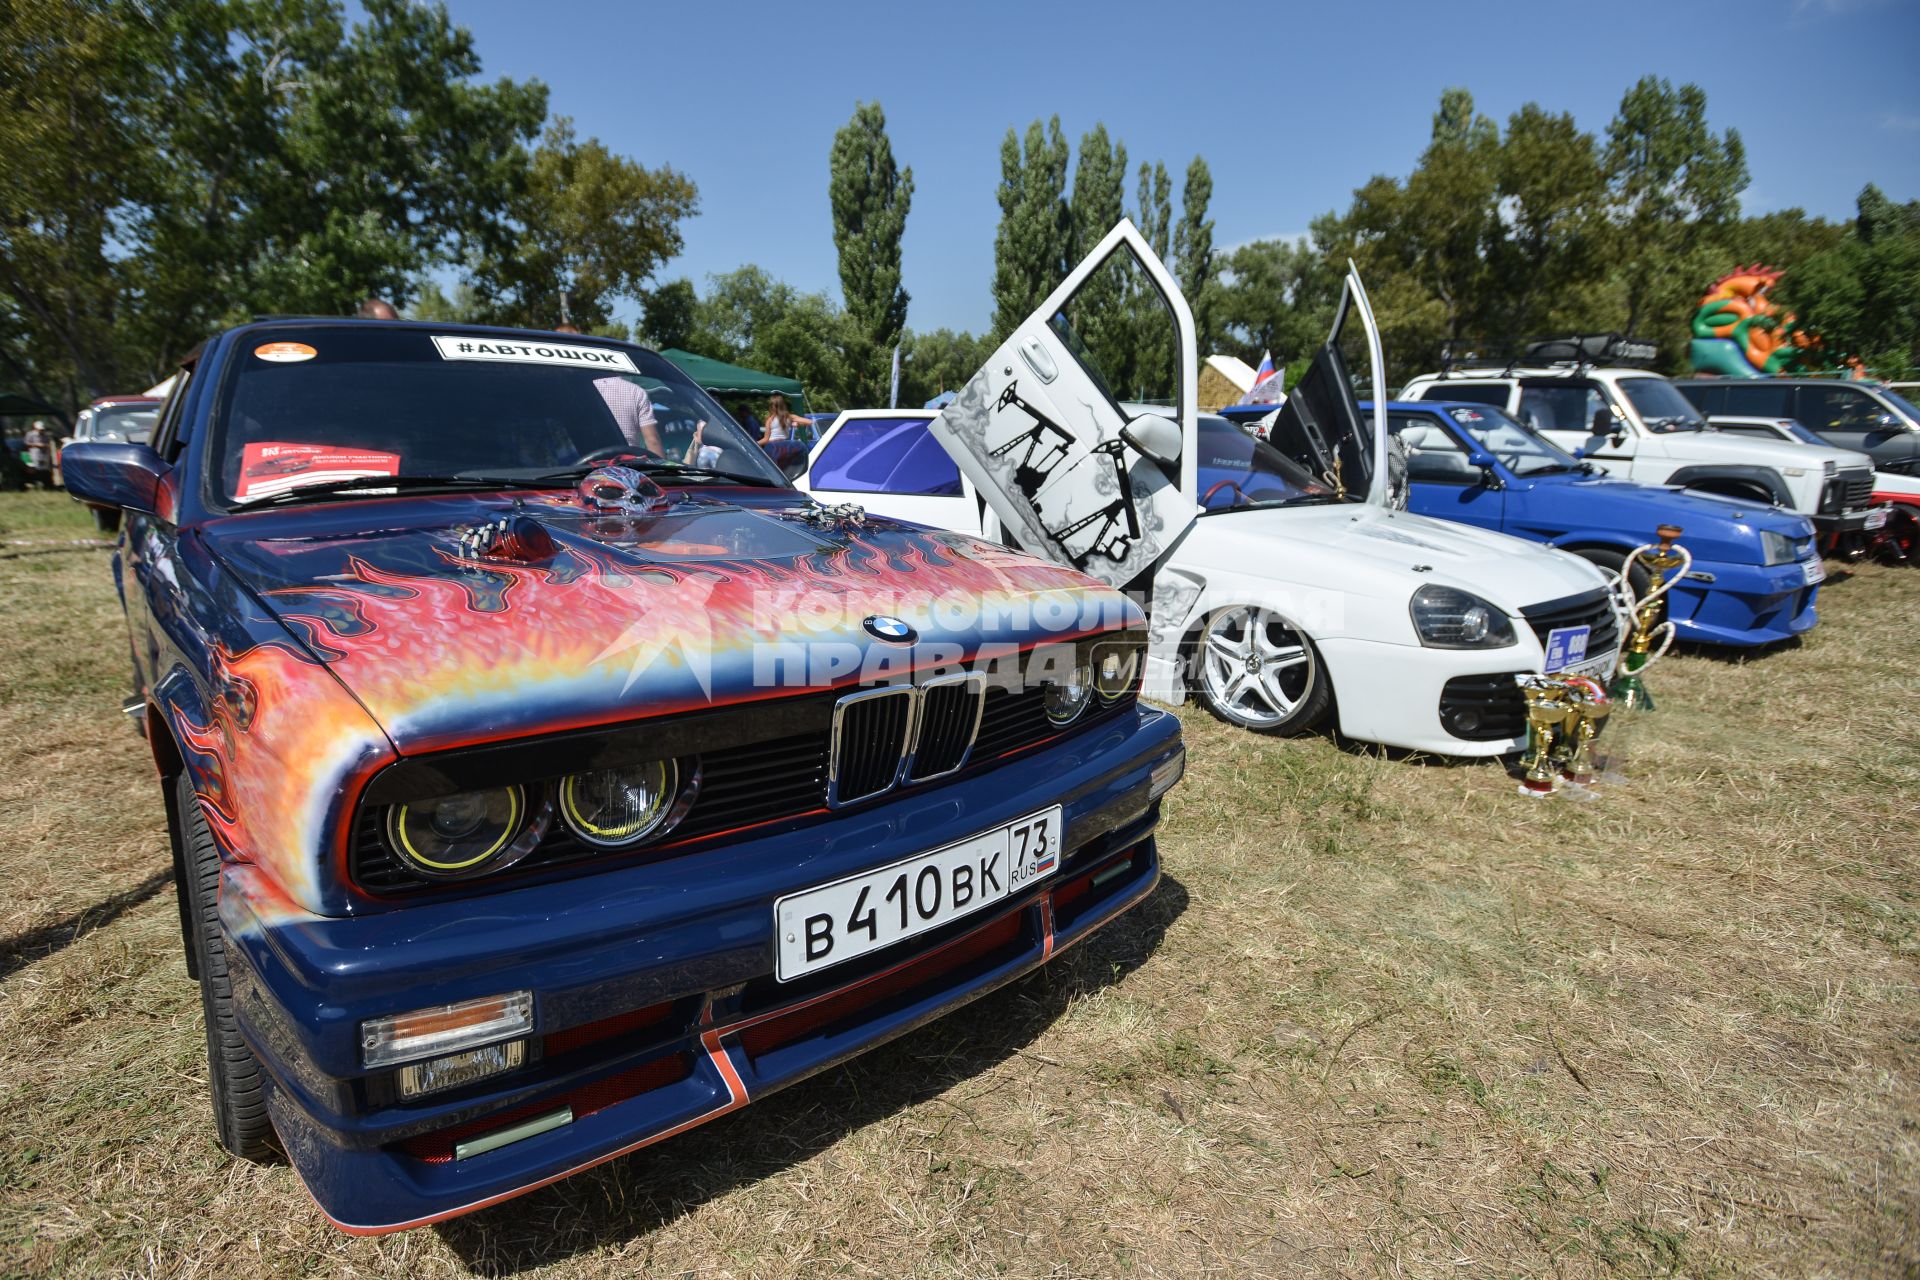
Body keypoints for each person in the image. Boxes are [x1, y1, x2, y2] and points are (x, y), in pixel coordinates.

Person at [557, 323, 666, 455]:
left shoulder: (582, 390)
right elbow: (652, 440)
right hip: (630, 468)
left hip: (589, 466)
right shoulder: (636, 392)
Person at [23, 419, 55, 489]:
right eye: (40, 429)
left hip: (43, 455)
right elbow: (26, 444)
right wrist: (36, 445)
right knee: (35, 470)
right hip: (34, 455)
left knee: (43, 470)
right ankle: (35, 483)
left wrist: (45, 446)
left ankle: (44, 484)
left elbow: (48, 444)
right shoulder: (30, 434)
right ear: (36, 428)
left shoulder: (45, 436)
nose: (41, 431)